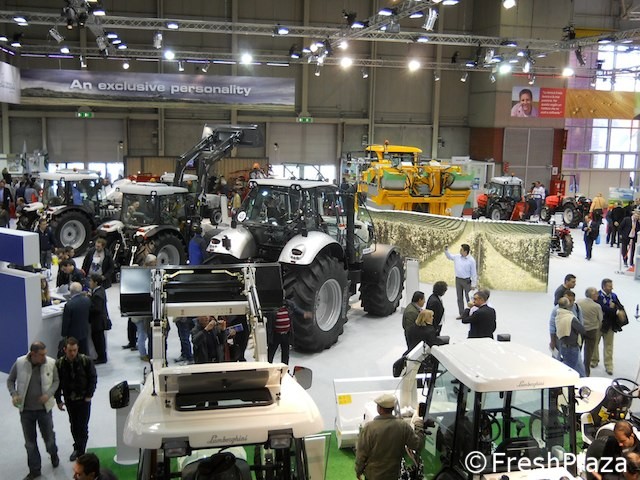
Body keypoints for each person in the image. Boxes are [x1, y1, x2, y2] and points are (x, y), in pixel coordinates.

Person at [6, 341, 60, 480]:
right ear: (32, 354)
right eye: (41, 355)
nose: (44, 357)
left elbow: (56, 381)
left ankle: (53, 453)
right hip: (26, 411)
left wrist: (48, 395)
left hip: (44, 410)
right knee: (30, 444)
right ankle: (35, 470)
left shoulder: (50, 363)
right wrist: (14, 394)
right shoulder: (19, 363)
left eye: (45, 354)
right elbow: (10, 380)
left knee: (49, 440)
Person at [354, 393, 425, 480]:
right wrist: (419, 427)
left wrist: (358, 471)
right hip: (393, 475)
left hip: (373, 475)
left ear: (379, 409)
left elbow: (361, 454)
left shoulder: (369, 428)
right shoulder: (403, 426)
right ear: (393, 408)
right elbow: (417, 445)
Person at [55, 337, 97, 462]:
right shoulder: (59, 364)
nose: (72, 353)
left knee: (83, 427)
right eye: (70, 350)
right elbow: (56, 383)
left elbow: (93, 378)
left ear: (77, 348)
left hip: (84, 400)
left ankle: (80, 452)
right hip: (69, 400)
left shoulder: (86, 361)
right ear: (65, 350)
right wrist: (58, 400)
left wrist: (89, 395)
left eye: (74, 350)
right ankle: (78, 447)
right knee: (74, 426)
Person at [267, 300, 312, 364]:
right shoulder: (272, 307)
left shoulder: (289, 305)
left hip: (286, 335)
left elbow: (296, 309)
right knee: (271, 353)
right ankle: (268, 366)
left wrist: (303, 313)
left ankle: (284, 368)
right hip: (275, 335)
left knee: (285, 354)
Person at [595, 278, 625, 376]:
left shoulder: (614, 296)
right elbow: (602, 308)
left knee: (609, 345)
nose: (612, 288)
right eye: (609, 286)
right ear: (604, 287)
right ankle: (594, 360)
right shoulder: (597, 295)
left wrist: (618, 310)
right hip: (599, 323)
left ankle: (609, 365)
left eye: (612, 286)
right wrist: (615, 311)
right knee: (595, 343)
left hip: (610, 324)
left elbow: (620, 306)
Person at [444, 244, 477, 318]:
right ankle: (461, 314)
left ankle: (471, 313)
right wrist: (446, 250)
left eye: (461, 250)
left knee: (469, 298)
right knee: (459, 298)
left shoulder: (471, 260)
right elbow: (449, 256)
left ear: (466, 251)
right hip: (458, 279)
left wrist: (473, 284)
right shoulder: (457, 257)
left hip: (467, 280)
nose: (460, 251)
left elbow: (474, 273)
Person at [555, 297, 586, 375]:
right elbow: (582, 330)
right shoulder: (570, 318)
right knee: (570, 367)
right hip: (572, 346)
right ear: (568, 305)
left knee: (573, 365)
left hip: (562, 344)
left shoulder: (558, 315)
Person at [577, 287, 604, 376]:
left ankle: (577, 368)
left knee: (578, 349)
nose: (598, 295)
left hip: (580, 329)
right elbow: (600, 319)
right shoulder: (596, 306)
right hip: (591, 331)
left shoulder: (578, 302)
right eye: (596, 293)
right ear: (592, 295)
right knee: (588, 353)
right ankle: (586, 372)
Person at [62, 282, 91, 355]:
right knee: (84, 352)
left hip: (73, 334)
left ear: (71, 291)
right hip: (84, 331)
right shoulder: (87, 300)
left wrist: (64, 334)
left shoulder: (69, 305)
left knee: (74, 354)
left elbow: (66, 322)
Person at [88, 274, 110, 364]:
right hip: (99, 321)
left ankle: (101, 358)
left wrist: (89, 302)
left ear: (96, 282)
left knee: (98, 340)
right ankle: (101, 356)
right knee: (98, 339)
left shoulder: (98, 295)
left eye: (91, 281)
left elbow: (96, 308)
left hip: (98, 321)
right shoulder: (99, 291)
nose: (89, 283)